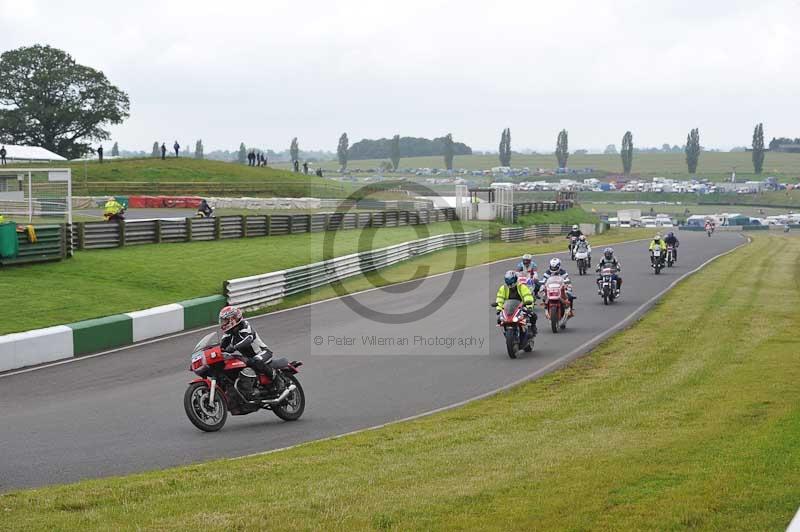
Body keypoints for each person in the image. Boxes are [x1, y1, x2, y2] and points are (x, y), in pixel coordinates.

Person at [218, 306, 277, 397]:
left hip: (262, 352)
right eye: (222, 321)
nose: (223, 323)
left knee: (256, 360)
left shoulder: (244, 325)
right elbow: (221, 346)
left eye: (225, 320)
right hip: (249, 358)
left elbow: (248, 339)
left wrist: (233, 347)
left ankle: (275, 378)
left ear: (233, 319)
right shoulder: (229, 333)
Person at [495, 270, 537, 336]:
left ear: (515, 279)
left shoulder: (521, 287)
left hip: (521, 307)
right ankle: (506, 332)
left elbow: (527, 296)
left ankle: (533, 327)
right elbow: (500, 299)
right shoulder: (503, 288)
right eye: (508, 281)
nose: (510, 283)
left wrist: (529, 307)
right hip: (509, 308)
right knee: (499, 320)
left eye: (511, 281)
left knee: (532, 315)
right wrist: (499, 308)